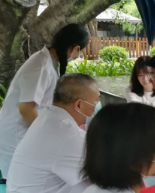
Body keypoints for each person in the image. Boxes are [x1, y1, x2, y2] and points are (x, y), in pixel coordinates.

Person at [0, 24, 89, 178]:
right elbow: (26, 108)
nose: (77, 55)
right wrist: (46, 135)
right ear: (76, 48)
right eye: (80, 52)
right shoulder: (40, 65)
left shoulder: (48, 62)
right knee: (22, 181)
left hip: (25, 133)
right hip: (17, 135)